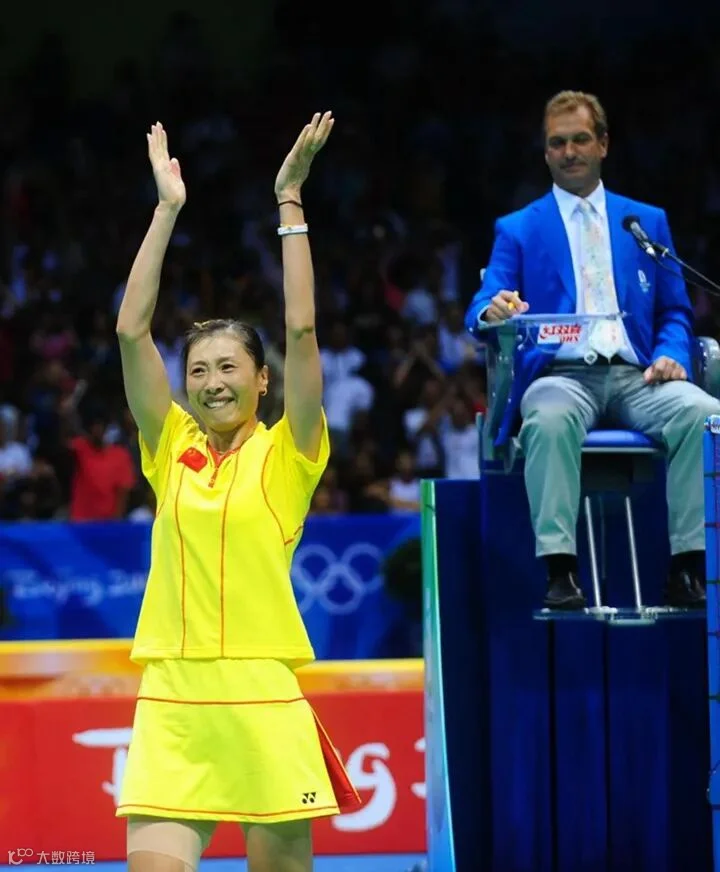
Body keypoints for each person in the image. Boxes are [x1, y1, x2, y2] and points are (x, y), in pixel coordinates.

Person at [115, 113, 360, 872]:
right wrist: (166, 209)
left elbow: (303, 330)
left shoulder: (289, 455)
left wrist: (290, 202)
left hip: (262, 697)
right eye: (198, 370)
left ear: (261, 380)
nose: (212, 382)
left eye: (229, 368)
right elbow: (130, 332)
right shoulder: (171, 447)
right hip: (173, 696)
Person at [465, 90, 720, 611]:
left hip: (638, 376)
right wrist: (493, 311)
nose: (569, 152)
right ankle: (560, 571)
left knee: (705, 415)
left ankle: (689, 568)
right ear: (545, 153)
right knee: (548, 419)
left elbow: (675, 311)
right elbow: (481, 305)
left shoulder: (644, 222)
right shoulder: (519, 228)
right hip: (560, 377)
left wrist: (671, 353)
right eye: (557, 143)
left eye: (580, 139)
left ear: (603, 144)